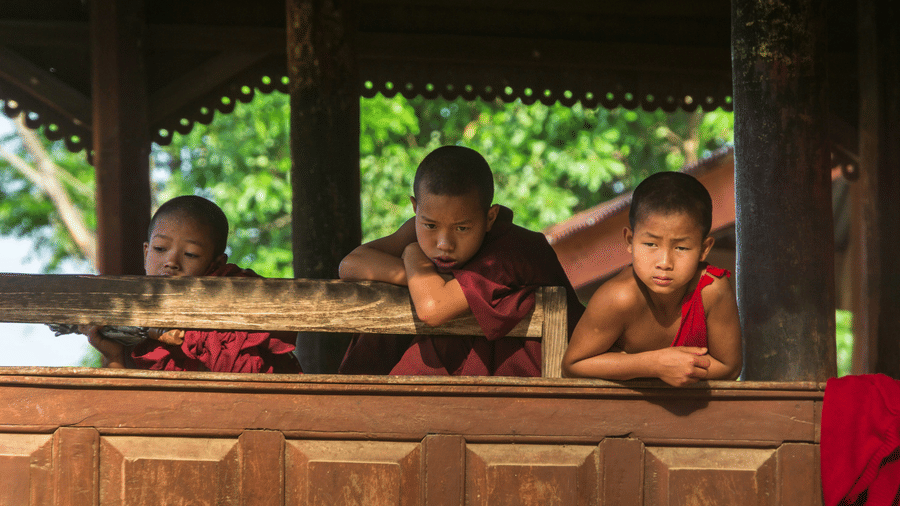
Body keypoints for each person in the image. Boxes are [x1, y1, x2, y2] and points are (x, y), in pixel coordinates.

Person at [338, 145, 584, 376]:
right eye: (430, 225)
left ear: (490, 218)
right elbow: (351, 264)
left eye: (462, 229)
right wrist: (430, 280)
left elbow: (433, 308)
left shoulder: (514, 250)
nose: (444, 243)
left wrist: (414, 254)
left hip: (540, 388)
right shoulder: (423, 226)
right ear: (415, 208)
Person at [84, 195, 301, 374]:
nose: (171, 262)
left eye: (191, 254)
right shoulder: (131, 316)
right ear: (145, 252)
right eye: (160, 249)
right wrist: (113, 356)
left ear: (216, 263)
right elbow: (127, 407)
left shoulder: (238, 293)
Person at [561, 171, 741, 386]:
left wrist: (674, 368)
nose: (664, 262)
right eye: (650, 244)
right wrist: (653, 365)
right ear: (630, 239)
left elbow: (729, 367)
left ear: (704, 249)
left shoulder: (711, 290)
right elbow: (573, 365)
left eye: (682, 247)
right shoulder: (619, 297)